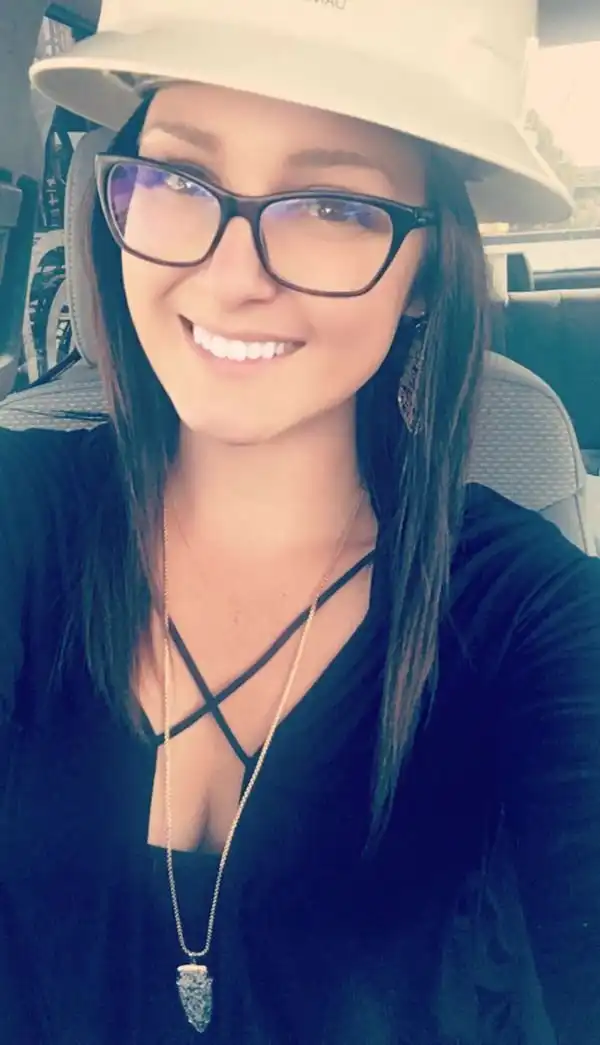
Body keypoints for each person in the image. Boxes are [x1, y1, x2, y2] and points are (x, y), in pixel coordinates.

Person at [2, 1, 599, 1042]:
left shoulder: (530, 614)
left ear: (428, 268)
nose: (233, 278)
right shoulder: (19, 509)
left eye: (332, 204)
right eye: (180, 178)